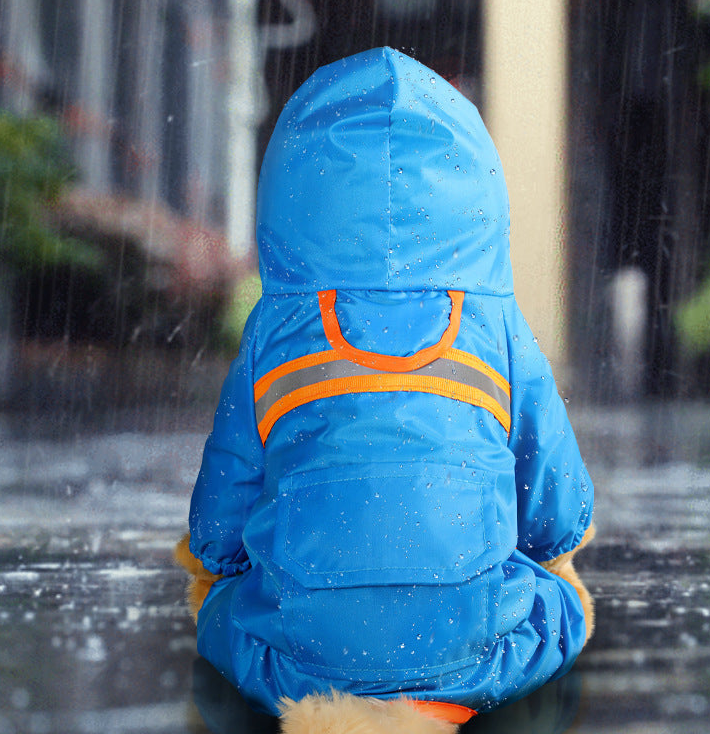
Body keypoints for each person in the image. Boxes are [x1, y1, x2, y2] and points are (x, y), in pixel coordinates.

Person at [176, 46, 595, 733]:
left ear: (291, 196)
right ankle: (444, 688)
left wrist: (219, 560)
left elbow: (223, 503)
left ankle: (338, 688)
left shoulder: (276, 328)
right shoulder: (498, 327)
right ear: (477, 195)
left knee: (226, 614)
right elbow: (553, 497)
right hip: (478, 657)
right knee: (561, 610)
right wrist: (553, 544)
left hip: (299, 668)